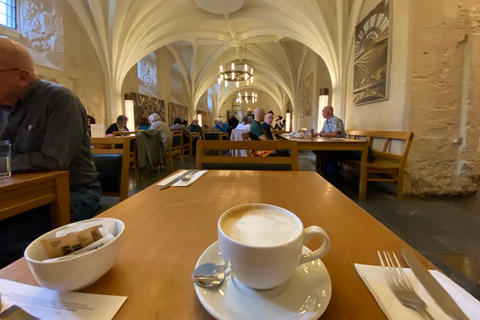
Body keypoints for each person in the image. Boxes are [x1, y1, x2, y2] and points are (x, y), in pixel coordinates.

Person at [0, 38, 101, 266]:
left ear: (22, 76)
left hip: (73, 191)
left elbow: (54, 160)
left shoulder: (60, 100)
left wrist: (4, 165)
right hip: (20, 194)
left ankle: (22, 294)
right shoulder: (3, 109)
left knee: (7, 238)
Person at [315, 106, 346, 176]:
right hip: (330, 144)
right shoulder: (326, 121)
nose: (322, 113)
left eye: (323, 111)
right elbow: (321, 132)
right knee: (316, 149)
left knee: (330, 153)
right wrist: (317, 134)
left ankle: (331, 173)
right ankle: (330, 169)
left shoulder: (336, 120)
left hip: (340, 145)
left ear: (328, 113)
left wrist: (321, 135)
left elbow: (334, 134)